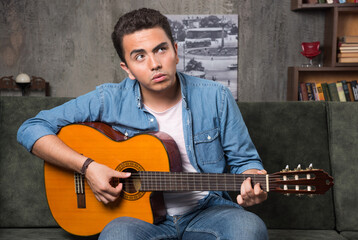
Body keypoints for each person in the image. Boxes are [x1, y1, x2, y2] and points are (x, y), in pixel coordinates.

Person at [17, 8, 268, 240]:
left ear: (176, 51)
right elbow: (31, 128)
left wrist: (252, 183)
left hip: (207, 210)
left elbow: (245, 162)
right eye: (140, 56)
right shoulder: (108, 99)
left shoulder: (215, 96)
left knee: (249, 228)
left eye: (161, 49)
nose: (154, 64)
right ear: (127, 68)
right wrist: (88, 167)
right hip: (137, 220)